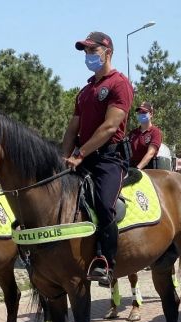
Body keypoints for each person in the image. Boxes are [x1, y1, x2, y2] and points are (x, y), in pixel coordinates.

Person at [61, 31, 133, 287]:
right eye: (86, 52)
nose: (89, 56)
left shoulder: (119, 84)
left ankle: (105, 260)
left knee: (104, 204)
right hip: (82, 158)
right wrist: (64, 156)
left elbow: (110, 127)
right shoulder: (85, 91)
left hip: (109, 160)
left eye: (93, 51)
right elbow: (72, 129)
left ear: (107, 52)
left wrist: (80, 154)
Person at [128, 102, 163, 170]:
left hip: (149, 171)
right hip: (131, 169)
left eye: (144, 112)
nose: (141, 114)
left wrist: (138, 169)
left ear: (151, 114)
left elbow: (150, 153)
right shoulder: (133, 133)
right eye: (139, 112)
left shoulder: (155, 132)